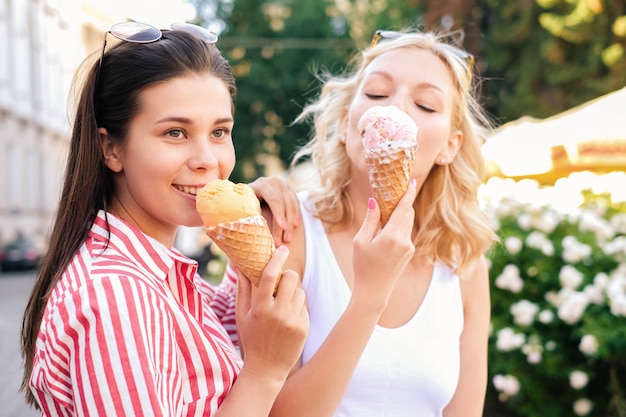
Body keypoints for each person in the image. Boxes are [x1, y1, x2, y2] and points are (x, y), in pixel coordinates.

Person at [20, 22, 308, 416]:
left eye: (220, 132)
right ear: (111, 149)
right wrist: (265, 372)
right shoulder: (116, 294)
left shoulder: (158, 274)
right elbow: (253, 364)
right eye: (175, 133)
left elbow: (217, 334)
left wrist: (254, 223)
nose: (208, 160)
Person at [243, 29, 496, 417]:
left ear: (450, 145)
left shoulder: (465, 266)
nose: (394, 110)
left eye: (426, 105)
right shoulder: (289, 233)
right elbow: (270, 409)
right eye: (377, 94)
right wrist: (369, 296)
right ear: (346, 124)